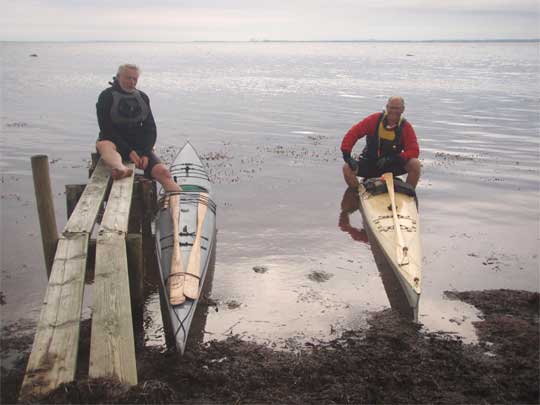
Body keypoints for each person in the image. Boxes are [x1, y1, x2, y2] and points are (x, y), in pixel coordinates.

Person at [96, 64, 180, 192]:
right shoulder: (106, 97)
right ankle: (121, 169)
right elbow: (106, 129)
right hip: (113, 144)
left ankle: (178, 205)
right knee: (104, 144)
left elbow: (150, 128)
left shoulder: (142, 97)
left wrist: (145, 153)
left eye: (135, 79)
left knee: (164, 173)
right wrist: (128, 151)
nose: (132, 82)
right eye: (128, 78)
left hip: (138, 148)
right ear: (118, 77)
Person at [340, 96, 421, 189]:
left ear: (402, 109)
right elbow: (353, 133)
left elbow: (414, 151)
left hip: (391, 166)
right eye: (391, 107)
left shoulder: (405, 127)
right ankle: (358, 194)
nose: (393, 111)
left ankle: (408, 195)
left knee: (415, 164)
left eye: (397, 108)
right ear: (387, 107)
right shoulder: (374, 120)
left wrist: (394, 158)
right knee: (347, 168)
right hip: (370, 163)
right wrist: (347, 155)